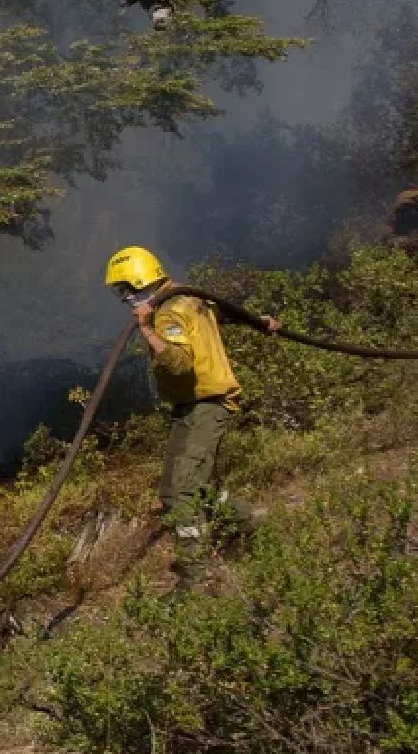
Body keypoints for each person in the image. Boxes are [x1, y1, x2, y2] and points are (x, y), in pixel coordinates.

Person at [103, 246, 280, 589]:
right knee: (177, 488)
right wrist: (262, 323)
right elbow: (224, 312)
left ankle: (196, 576)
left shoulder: (166, 314)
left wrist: (147, 331)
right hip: (191, 407)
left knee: (183, 490)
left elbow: (181, 365)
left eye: (125, 289)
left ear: (139, 279)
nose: (123, 297)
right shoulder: (187, 298)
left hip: (206, 405)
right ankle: (252, 527)